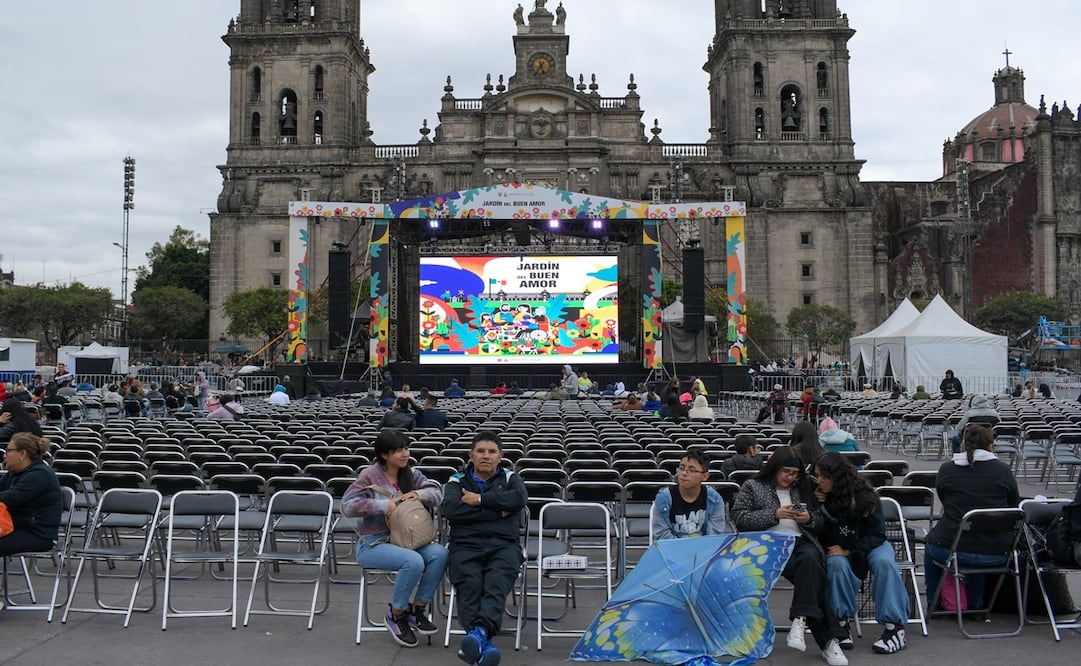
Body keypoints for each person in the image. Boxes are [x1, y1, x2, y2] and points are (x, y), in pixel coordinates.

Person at [731, 446, 848, 666]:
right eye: (786, 472)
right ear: (775, 468)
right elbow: (739, 519)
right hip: (765, 545)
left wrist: (808, 520)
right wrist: (774, 514)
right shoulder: (753, 486)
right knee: (812, 576)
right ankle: (828, 641)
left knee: (811, 560)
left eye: (794, 474)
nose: (790, 477)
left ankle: (800, 620)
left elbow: (820, 524)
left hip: (798, 542)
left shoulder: (803, 488)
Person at [341, 430, 448, 647]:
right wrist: (381, 505)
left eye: (406, 449)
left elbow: (436, 492)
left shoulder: (410, 474)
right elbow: (347, 506)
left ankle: (417, 609)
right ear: (383, 455)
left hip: (408, 540)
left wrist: (419, 494)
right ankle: (397, 613)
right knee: (413, 561)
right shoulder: (369, 476)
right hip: (374, 543)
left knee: (440, 554)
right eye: (398, 450)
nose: (404, 454)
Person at [443, 431, 528, 666]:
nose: (486, 456)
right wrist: (496, 511)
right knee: (469, 584)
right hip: (465, 545)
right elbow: (451, 511)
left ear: (500, 456)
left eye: (492, 452)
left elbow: (519, 500)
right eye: (480, 451)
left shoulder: (512, 479)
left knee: (495, 583)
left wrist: (479, 501)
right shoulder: (456, 480)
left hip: (504, 545)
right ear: (471, 455)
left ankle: (478, 635)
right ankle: (483, 642)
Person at [814, 452, 910, 655]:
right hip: (839, 545)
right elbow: (821, 533)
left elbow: (876, 534)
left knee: (884, 563)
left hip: (872, 543)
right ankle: (841, 621)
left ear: (838, 477)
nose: (820, 481)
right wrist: (820, 505)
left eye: (825, 477)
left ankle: (895, 627)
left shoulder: (866, 496)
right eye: (818, 476)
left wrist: (850, 550)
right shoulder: (821, 497)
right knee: (836, 564)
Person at [924, 425, 1020, 613]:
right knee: (981, 532)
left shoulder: (947, 469)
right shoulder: (1003, 471)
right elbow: (1012, 504)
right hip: (996, 552)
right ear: (991, 446)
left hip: (952, 550)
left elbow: (945, 500)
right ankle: (977, 604)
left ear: (963, 444)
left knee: (931, 545)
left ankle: (933, 603)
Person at [0, 432, 62, 560]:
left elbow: (12, 498)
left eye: (8, 451)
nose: (4, 455)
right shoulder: (14, 473)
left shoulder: (40, 474)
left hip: (37, 534)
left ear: (22, 454)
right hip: (15, 528)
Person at [651, 450, 729, 540]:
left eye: (691, 470)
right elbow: (661, 535)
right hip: (672, 550)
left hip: (704, 550)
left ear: (705, 476)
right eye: (681, 468)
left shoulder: (714, 499)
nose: (684, 473)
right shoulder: (663, 498)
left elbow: (714, 536)